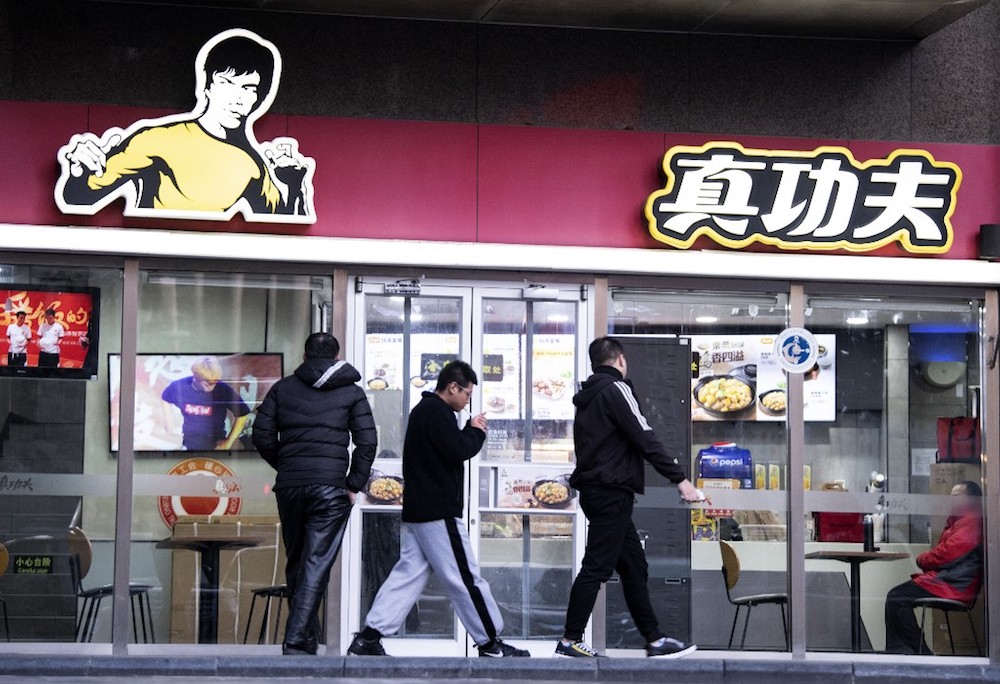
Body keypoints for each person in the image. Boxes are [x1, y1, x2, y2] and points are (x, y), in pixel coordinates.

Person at [348, 360, 529, 658]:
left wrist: (467, 429)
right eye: (467, 394)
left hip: (421, 512)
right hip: (437, 512)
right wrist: (477, 431)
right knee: (465, 576)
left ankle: (368, 638)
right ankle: (490, 642)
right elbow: (458, 450)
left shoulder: (425, 411)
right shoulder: (437, 412)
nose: (468, 400)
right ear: (453, 387)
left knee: (407, 576)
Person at [58, 29, 311, 219]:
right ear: (207, 85)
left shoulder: (253, 165)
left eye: (249, 88)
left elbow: (283, 227)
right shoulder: (158, 139)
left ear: (259, 97)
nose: (238, 97)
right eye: (226, 83)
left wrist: (293, 182)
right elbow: (80, 197)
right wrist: (79, 169)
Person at [556, 336, 701, 659]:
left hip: (598, 492)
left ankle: (654, 639)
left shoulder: (588, 397)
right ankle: (569, 641)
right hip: (611, 493)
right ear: (619, 359)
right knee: (596, 567)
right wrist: (680, 479)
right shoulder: (616, 389)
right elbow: (644, 437)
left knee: (634, 567)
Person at [252, 332, 377, 655]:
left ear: (305, 357)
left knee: (298, 562)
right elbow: (367, 441)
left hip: (291, 487)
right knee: (316, 563)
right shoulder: (351, 393)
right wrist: (353, 483)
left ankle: (306, 639)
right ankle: (295, 639)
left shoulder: (283, 388)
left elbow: (262, 435)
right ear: (336, 357)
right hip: (331, 488)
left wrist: (288, 464)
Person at [884, 480, 983, 654]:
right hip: (948, 581)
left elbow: (948, 553)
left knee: (896, 597)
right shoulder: (959, 521)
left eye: (956, 496)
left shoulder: (971, 521)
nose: (950, 500)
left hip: (954, 585)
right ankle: (900, 651)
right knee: (896, 597)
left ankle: (919, 653)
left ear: (971, 499)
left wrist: (923, 559)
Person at [160, 356, 251, 450]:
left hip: (215, 444)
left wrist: (229, 441)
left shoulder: (222, 389)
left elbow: (243, 413)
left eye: (215, 382)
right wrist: (169, 422)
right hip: (188, 443)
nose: (213, 386)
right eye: (208, 384)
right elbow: (165, 397)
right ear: (196, 378)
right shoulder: (180, 386)